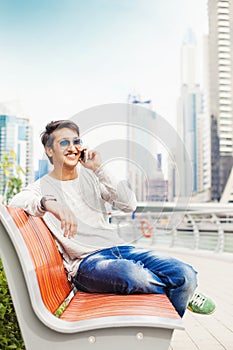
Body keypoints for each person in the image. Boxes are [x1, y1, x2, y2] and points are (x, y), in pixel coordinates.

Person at [10, 120, 215, 317]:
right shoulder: (41, 187)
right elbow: (16, 201)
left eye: (76, 141)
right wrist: (50, 204)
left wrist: (100, 169)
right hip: (86, 264)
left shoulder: (93, 177)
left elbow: (129, 205)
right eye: (64, 142)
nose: (72, 147)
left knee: (185, 274)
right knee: (136, 276)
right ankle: (181, 293)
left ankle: (180, 296)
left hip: (120, 250)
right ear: (49, 150)